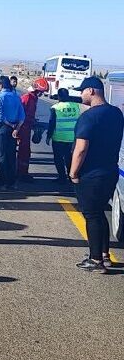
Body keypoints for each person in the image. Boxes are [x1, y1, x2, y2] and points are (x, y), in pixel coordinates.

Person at [70, 77, 124, 274]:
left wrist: (73, 172)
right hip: (110, 171)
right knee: (100, 213)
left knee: (91, 215)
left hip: (91, 174)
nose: (81, 94)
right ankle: (105, 255)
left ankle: (95, 259)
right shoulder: (116, 113)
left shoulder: (89, 116)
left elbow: (81, 149)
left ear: (92, 91)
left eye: (82, 91)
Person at [0, 76, 25, 190]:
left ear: (1, 85)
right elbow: (22, 116)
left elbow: (1, 117)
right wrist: (16, 128)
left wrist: (10, 125)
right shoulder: (16, 97)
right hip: (14, 128)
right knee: (11, 154)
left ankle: (3, 181)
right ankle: (12, 181)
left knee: (1, 155)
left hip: (3, 128)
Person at [17, 78, 48, 182]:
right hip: (23, 128)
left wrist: (33, 121)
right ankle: (21, 173)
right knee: (24, 151)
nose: (41, 94)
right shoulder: (27, 97)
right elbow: (21, 113)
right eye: (41, 92)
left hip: (27, 127)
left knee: (26, 151)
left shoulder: (34, 98)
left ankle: (23, 172)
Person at [46, 88, 80, 183]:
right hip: (72, 138)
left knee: (58, 158)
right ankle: (70, 176)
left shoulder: (55, 108)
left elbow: (52, 123)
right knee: (69, 158)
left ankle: (61, 177)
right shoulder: (76, 106)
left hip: (59, 137)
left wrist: (48, 136)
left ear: (59, 96)